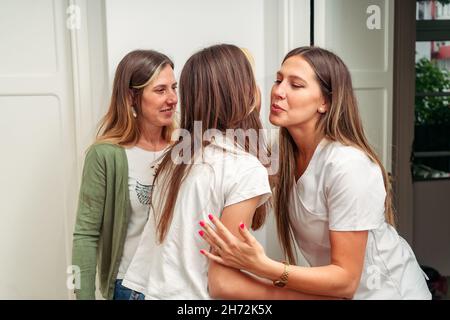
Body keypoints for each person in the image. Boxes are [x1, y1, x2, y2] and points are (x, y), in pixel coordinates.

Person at [199, 46, 432, 300]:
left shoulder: (348, 165)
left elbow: (346, 281)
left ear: (325, 102)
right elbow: (232, 180)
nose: (278, 91)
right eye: (278, 80)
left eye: (295, 85)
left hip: (388, 294)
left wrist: (263, 266)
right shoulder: (283, 152)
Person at [121, 44, 330, 300]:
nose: (273, 90)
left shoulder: (175, 158)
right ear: (244, 93)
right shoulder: (242, 168)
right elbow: (225, 284)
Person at [71, 49, 178, 300]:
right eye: (161, 90)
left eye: (174, 88)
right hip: (131, 290)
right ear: (132, 96)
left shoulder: (183, 151)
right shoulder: (106, 155)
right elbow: (85, 235)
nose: (172, 98)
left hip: (179, 288)